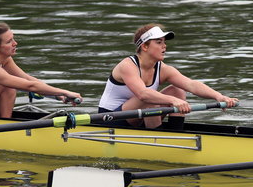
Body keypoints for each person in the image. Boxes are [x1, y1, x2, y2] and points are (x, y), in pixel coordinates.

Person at [98, 23, 238, 128]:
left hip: (138, 116)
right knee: (150, 98)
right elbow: (143, 94)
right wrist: (173, 101)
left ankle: (175, 133)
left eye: (164, 42)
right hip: (110, 119)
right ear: (145, 47)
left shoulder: (163, 69)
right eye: (159, 42)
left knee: (177, 90)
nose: (164, 46)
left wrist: (218, 96)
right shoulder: (127, 65)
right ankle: (157, 141)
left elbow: (191, 84)